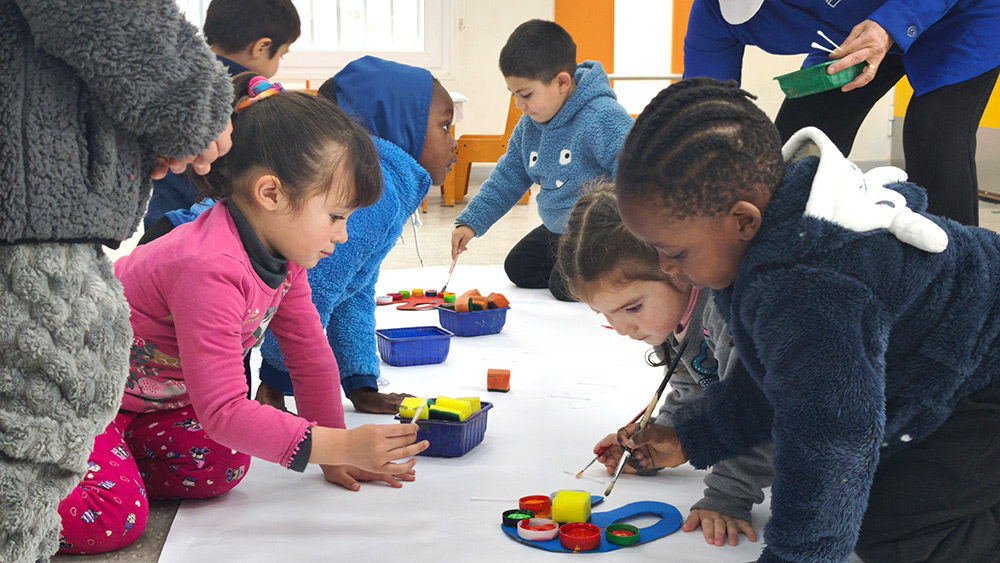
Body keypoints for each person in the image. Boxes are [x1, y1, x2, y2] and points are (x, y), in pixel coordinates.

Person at [614, 77, 1000, 562]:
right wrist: (692, 437)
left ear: (742, 221)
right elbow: (776, 378)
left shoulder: (807, 288)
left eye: (672, 251)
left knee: (894, 529)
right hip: (953, 361)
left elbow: (829, 438)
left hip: (984, 376)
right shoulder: (775, 239)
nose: (666, 267)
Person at [55, 75, 429, 555]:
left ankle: (109, 461)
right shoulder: (210, 267)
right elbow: (224, 410)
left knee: (227, 461)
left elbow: (310, 356)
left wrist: (331, 454)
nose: (343, 235)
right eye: (336, 216)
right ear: (271, 194)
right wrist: (343, 446)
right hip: (83, 399)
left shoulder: (285, 258)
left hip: (145, 404)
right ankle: (29, 479)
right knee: (114, 520)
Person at [0, 1, 233, 560]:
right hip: (30, 220)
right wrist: (194, 107)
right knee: (34, 433)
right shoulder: (207, 264)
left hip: (40, 208)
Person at [557, 181, 772, 548]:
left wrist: (728, 494)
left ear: (674, 267)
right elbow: (694, 388)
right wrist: (661, 437)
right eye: (605, 314)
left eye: (633, 308)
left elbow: (763, 411)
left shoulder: (729, 313)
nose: (623, 329)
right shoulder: (679, 312)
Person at [254, 55, 458, 413]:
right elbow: (314, 288)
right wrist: (275, 384)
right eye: (444, 126)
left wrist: (361, 383)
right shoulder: (376, 189)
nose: (454, 143)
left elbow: (354, 290)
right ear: (401, 125)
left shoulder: (387, 184)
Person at [682, 0, 1000, 227]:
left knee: (933, 136)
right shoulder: (713, 14)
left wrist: (893, 22)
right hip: (855, 37)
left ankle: (963, 282)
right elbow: (704, 109)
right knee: (796, 146)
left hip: (960, 17)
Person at [451, 19, 633, 301]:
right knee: (519, 268)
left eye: (525, 95)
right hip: (559, 228)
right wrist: (471, 222)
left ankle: (610, 266)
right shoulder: (529, 124)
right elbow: (508, 176)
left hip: (601, 231)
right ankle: (576, 266)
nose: (519, 105)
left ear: (561, 82)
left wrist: (626, 235)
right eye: (513, 95)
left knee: (564, 287)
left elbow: (634, 174)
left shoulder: (603, 117)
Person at [142, 0, 301, 232]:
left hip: (161, 225)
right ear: (262, 48)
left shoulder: (172, 79)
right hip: (217, 234)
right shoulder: (261, 98)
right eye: (281, 56)